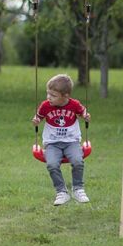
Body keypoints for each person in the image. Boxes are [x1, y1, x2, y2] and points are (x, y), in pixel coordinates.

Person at [32, 73, 91, 206]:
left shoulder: (74, 104)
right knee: (52, 164)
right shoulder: (46, 105)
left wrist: (86, 116)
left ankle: (78, 189)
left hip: (71, 142)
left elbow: (83, 112)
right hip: (53, 143)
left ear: (66, 96)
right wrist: (36, 120)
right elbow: (39, 117)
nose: (49, 97)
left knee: (77, 161)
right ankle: (61, 192)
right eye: (48, 94)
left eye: (53, 95)